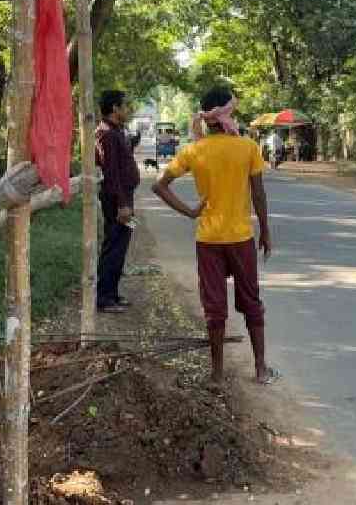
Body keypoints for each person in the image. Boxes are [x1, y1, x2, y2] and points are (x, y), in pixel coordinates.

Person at [152, 86, 280, 385]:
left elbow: (159, 186)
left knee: (214, 308)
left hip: (208, 240)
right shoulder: (248, 147)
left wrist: (190, 212)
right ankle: (261, 369)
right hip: (241, 238)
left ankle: (217, 374)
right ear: (226, 113)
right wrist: (266, 231)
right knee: (251, 302)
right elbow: (258, 194)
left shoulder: (194, 150)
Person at [95, 90, 140, 313]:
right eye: (125, 106)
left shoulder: (117, 131)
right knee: (113, 247)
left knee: (120, 247)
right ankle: (104, 298)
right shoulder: (107, 134)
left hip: (124, 196)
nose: (127, 110)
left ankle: (112, 293)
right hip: (116, 199)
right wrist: (122, 204)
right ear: (115, 108)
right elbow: (110, 173)